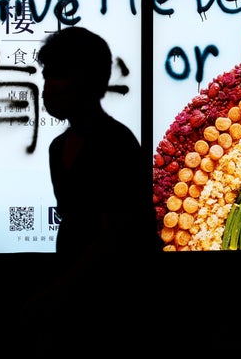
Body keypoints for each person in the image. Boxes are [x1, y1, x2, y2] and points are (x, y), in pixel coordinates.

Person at [28, 26, 162, 352]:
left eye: (57, 76)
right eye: (47, 76)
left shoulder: (118, 144)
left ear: (86, 80)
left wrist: (56, 293)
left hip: (115, 302)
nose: (46, 89)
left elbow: (114, 237)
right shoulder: (58, 148)